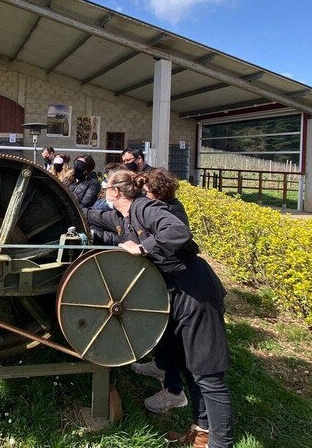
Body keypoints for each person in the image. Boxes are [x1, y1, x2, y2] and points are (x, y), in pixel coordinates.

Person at [87, 170, 233, 448]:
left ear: (117, 192)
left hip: (194, 290)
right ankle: (202, 434)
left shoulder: (144, 207)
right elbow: (90, 215)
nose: (103, 192)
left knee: (208, 373)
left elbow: (178, 231)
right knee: (189, 367)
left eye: (106, 187)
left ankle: (221, 444)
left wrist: (143, 248)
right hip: (171, 293)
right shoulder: (122, 217)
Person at [130, 169, 190, 414]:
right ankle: (161, 365)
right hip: (170, 278)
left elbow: (175, 235)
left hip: (180, 283)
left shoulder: (171, 212)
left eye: (145, 193)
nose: (144, 198)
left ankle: (175, 392)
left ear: (155, 194)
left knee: (173, 334)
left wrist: (143, 248)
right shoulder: (170, 206)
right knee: (163, 329)